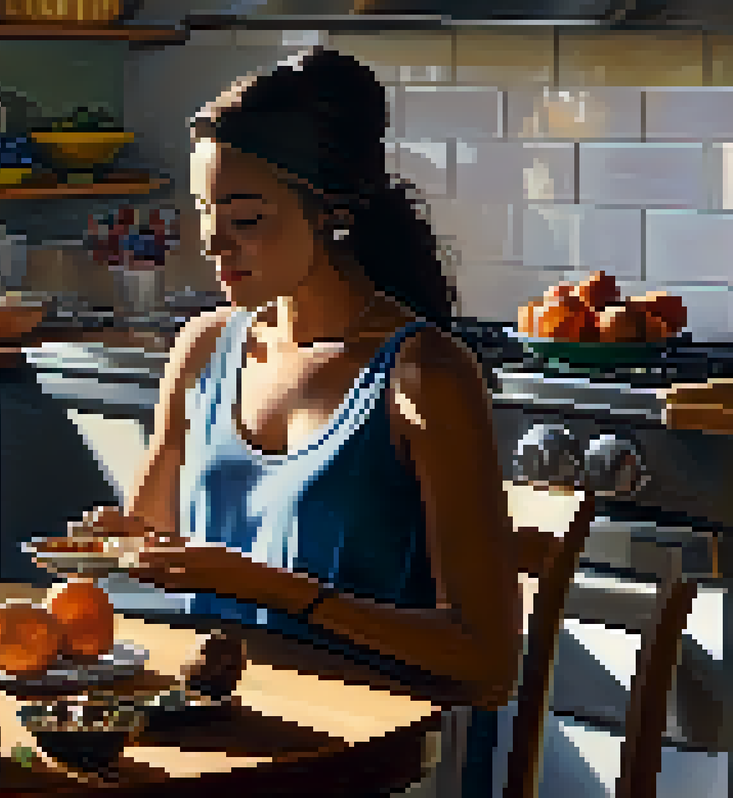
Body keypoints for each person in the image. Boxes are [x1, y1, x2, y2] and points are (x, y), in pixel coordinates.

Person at [69, 46, 521, 726]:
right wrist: (116, 542)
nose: (215, 244)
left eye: (246, 219)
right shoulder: (204, 348)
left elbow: (488, 662)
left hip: (365, 753)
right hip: (216, 732)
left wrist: (271, 591)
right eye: (204, 212)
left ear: (329, 213)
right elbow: (152, 538)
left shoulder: (425, 377)